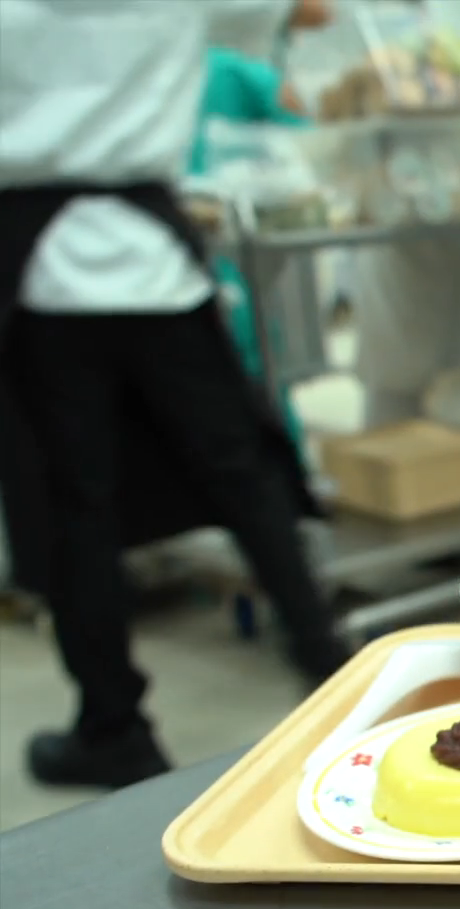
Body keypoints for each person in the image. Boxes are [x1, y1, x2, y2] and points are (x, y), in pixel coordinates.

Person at [0, 0, 350, 788]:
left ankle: (111, 721)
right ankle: (328, 665)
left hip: (37, 269)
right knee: (244, 476)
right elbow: (315, 10)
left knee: (74, 509)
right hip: (151, 261)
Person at [191, 2, 335, 451]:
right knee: (252, 362)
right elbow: (312, 123)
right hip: (224, 243)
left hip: (177, 238)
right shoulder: (226, 69)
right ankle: (285, 475)